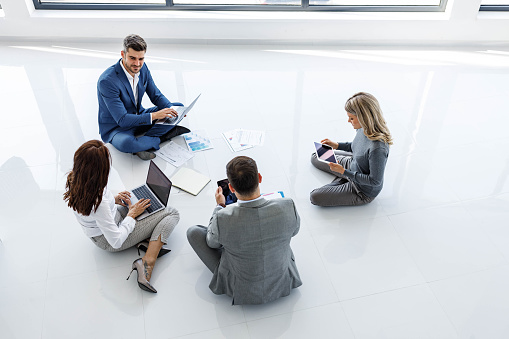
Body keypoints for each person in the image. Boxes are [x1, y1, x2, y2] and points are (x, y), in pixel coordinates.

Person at [63, 140, 180, 293]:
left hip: (108, 221)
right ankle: (147, 263)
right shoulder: (99, 203)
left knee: (146, 205)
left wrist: (114, 198)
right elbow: (116, 241)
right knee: (172, 213)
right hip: (108, 240)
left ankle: (144, 241)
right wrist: (131, 215)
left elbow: (97, 205)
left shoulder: (76, 179)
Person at [187, 156, 302, 305]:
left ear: (232, 188)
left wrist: (219, 207)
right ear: (259, 178)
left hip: (240, 288)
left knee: (193, 232)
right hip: (283, 280)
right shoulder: (288, 205)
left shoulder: (222, 217)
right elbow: (294, 231)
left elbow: (212, 243)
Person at [97, 34, 190, 161]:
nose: (137, 63)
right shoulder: (107, 81)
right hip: (117, 128)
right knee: (127, 143)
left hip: (139, 115)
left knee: (177, 106)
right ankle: (162, 137)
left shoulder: (143, 68)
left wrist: (173, 111)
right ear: (122, 54)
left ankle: (145, 143)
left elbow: (156, 95)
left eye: (141, 58)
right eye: (132, 58)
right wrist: (155, 116)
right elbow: (122, 119)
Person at [310, 92, 393, 207]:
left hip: (361, 189)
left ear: (364, 118)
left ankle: (343, 179)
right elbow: (354, 147)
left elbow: (375, 181)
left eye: (351, 118)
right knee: (316, 155)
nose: (348, 121)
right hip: (353, 164)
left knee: (315, 197)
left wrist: (343, 172)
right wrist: (337, 145)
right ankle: (343, 178)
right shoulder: (363, 128)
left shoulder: (378, 149)